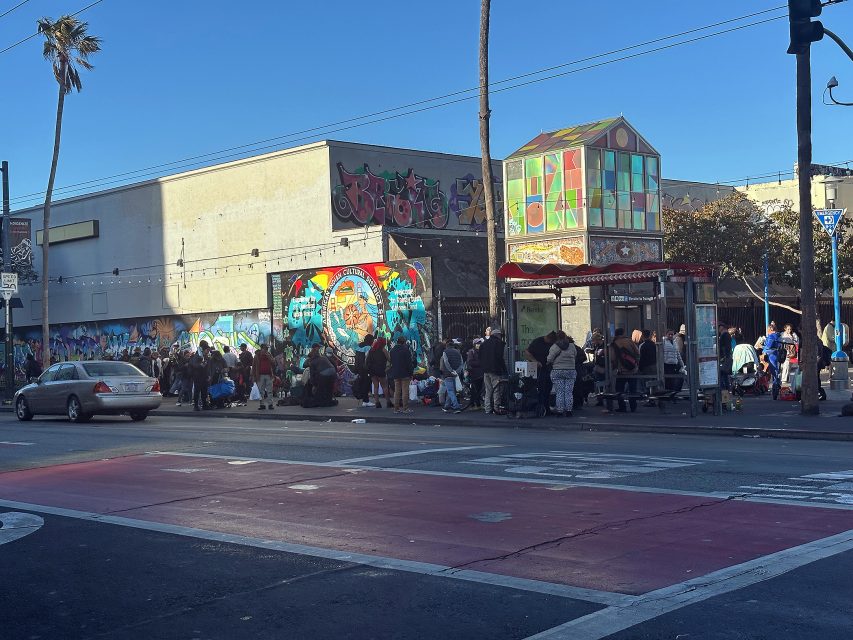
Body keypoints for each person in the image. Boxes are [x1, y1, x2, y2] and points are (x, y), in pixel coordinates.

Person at [608, 328, 640, 413]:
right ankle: (633, 407)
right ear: (623, 333)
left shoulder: (614, 343)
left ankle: (622, 407)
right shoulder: (629, 341)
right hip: (632, 370)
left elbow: (612, 358)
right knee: (633, 390)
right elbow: (637, 353)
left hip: (621, 371)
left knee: (619, 389)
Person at [547, 331, 577, 417]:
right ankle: (569, 411)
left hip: (557, 371)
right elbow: (575, 355)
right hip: (570, 371)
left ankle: (560, 411)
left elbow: (549, 359)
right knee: (568, 392)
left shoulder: (554, 346)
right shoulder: (572, 346)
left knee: (559, 392)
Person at [526, 331, 556, 416]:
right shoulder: (537, 342)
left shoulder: (552, 343)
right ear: (548, 338)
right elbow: (527, 353)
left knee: (547, 389)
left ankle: (546, 408)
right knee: (540, 389)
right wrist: (535, 361)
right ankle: (540, 408)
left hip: (547, 369)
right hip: (538, 369)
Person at [479, 327, 507, 414]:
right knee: (496, 390)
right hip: (495, 369)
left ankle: (487, 408)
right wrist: (504, 369)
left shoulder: (484, 344)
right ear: (498, 335)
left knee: (488, 390)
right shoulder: (499, 344)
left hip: (485, 370)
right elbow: (500, 358)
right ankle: (496, 408)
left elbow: (480, 356)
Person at [389, 336, 415, 414]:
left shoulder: (392, 350)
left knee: (397, 391)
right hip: (405, 373)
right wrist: (411, 373)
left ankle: (396, 409)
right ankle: (405, 408)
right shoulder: (406, 350)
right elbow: (409, 363)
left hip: (396, 373)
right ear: (404, 342)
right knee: (405, 391)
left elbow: (391, 361)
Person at [440, 338, 464, 413]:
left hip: (448, 374)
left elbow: (446, 362)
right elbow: (461, 363)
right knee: (452, 391)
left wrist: (451, 371)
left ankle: (456, 407)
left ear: (446, 346)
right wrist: (457, 371)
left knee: (450, 391)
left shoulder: (445, 352)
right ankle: (446, 406)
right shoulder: (458, 352)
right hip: (456, 374)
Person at [366, 337, 390, 408]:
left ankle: (377, 402)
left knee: (375, 387)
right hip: (380, 370)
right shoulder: (383, 350)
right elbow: (389, 359)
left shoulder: (371, 350)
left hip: (372, 371)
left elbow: (367, 360)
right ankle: (388, 402)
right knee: (384, 386)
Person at [252, 343, 275, 410]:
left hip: (268, 375)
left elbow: (274, 363)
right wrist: (253, 375)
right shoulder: (257, 356)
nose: (266, 350)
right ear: (261, 348)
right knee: (261, 391)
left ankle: (270, 404)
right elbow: (254, 366)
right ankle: (262, 404)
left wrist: (269, 357)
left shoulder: (269, 354)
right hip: (260, 375)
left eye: (267, 348)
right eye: (265, 348)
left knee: (270, 390)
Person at [354, 334, 375, 408]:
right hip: (365, 369)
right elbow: (369, 359)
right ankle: (366, 401)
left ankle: (365, 400)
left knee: (362, 383)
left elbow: (356, 359)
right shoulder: (368, 347)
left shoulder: (359, 346)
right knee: (366, 384)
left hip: (359, 368)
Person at [190, 340, 211, 411]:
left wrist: (208, 375)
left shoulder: (205, 356)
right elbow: (194, 365)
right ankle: (196, 405)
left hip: (204, 377)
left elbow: (207, 367)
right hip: (198, 377)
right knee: (197, 391)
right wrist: (201, 365)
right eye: (207, 350)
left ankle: (204, 404)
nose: (208, 351)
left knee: (204, 391)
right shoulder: (197, 356)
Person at [465, 338, 485, 410]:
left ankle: (476, 404)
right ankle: (474, 404)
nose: (479, 345)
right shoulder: (472, 351)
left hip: (481, 373)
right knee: (475, 389)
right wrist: (480, 363)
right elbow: (470, 362)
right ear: (474, 344)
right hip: (474, 373)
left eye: (479, 343)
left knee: (478, 389)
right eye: (477, 343)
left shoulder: (482, 351)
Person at [717, 323, 733, 391]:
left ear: (722, 327)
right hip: (725, 356)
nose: (718, 329)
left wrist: (724, 356)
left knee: (722, 373)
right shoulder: (725, 335)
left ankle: (724, 388)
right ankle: (727, 388)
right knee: (724, 373)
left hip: (724, 357)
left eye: (719, 327)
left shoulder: (725, 335)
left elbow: (726, 347)